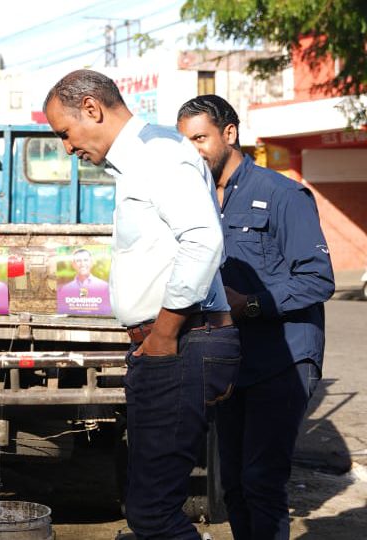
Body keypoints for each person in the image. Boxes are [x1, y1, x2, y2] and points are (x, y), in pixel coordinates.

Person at [44, 69, 241, 540]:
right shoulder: (136, 162)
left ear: (92, 108)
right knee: (147, 507)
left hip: (180, 342)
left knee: (153, 512)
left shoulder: (159, 155)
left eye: (65, 134)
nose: (67, 149)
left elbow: (202, 241)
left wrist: (164, 334)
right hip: (171, 343)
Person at [177, 95, 335, 540]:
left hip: (282, 362)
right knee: (235, 486)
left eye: (200, 138)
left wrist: (248, 304)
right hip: (230, 365)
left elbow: (318, 279)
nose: (194, 150)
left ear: (229, 134)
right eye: (185, 142)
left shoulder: (282, 194)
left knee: (262, 481)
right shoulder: (195, 203)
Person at [57, 247, 111, 315]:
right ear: (73, 264)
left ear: (91, 262)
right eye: (78, 261)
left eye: (85, 260)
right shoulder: (65, 289)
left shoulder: (104, 287)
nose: (82, 264)